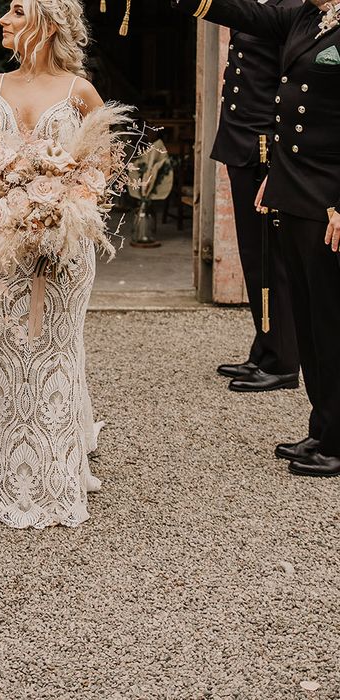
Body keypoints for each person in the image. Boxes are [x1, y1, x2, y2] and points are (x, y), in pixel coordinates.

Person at [173, 0, 340, 477]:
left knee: (330, 322)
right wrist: (279, 176)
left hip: (329, 194)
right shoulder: (305, 16)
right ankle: (324, 429)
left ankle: (337, 441)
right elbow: (241, 13)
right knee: (308, 321)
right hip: (297, 187)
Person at [0, 0, 106, 529]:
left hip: (64, 250)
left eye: (15, 10)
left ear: (46, 20)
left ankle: (54, 479)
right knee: (5, 349)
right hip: (0, 248)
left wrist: (60, 211)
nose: (2, 19)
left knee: (57, 351)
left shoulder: (81, 93)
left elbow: (98, 174)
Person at [212, 0, 301, 393]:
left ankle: (283, 361)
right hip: (240, 141)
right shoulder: (258, 6)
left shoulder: (291, 9)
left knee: (271, 258)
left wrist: (280, 160)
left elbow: (291, 88)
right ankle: (264, 349)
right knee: (253, 254)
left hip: (263, 147)